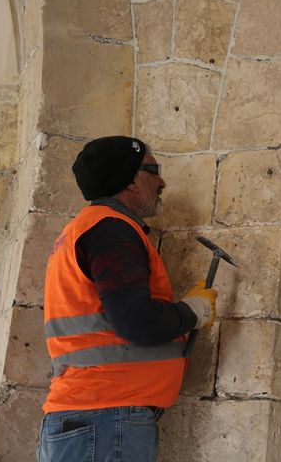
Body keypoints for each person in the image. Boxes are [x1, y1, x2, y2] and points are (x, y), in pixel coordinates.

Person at [37, 136, 218, 462]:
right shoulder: (111, 229)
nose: (162, 182)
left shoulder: (86, 229)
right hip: (106, 417)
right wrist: (191, 312)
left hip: (95, 417)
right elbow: (136, 321)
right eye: (154, 170)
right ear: (132, 180)